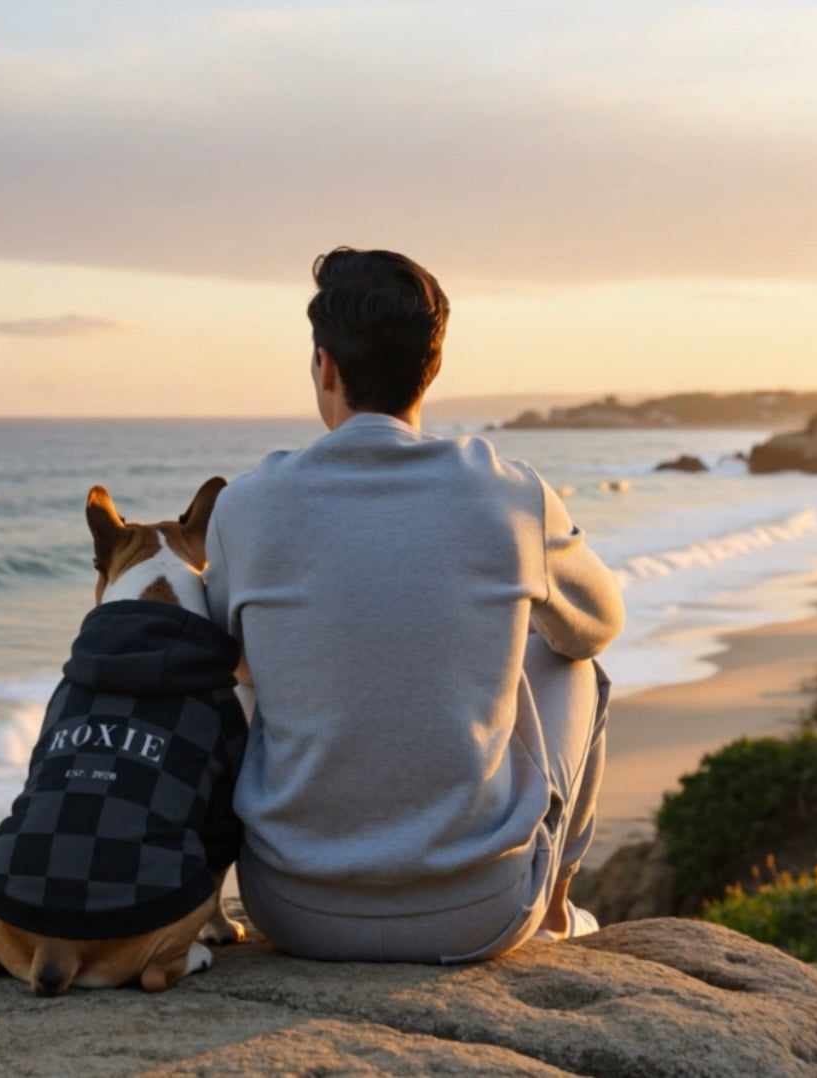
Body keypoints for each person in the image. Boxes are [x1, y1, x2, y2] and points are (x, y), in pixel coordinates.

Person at [203, 247, 624, 962]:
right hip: (480, 914)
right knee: (574, 666)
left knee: (244, 676)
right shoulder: (507, 491)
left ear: (326, 367)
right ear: (431, 367)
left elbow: (229, 666)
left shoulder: (245, 506)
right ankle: (553, 911)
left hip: (290, 910)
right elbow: (598, 624)